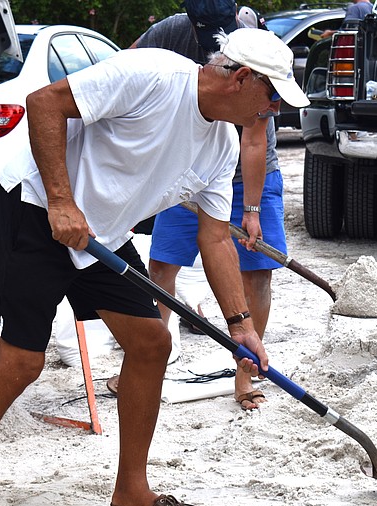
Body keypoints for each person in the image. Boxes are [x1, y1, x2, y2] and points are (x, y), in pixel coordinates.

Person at [0, 26, 309, 506]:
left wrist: (243, 327)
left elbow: (215, 239)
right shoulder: (155, 75)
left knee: (151, 342)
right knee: (21, 362)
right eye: (272, 97)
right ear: (243, 79)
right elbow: (44, 102)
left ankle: (133, 495)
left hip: (103, 236)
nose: (274, 111)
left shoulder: (221, 144)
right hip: (36, 211)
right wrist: (61, 201)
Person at [133, 2, 288, 411]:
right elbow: (129, 65)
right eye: (205, 32)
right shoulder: (169, 34)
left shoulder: (254, 48)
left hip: (247, 173)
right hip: (186, 169)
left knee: (254, 273)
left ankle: (246, 372)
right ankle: (147, 364)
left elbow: (253, 140)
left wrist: (251, 210)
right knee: (162, 265)